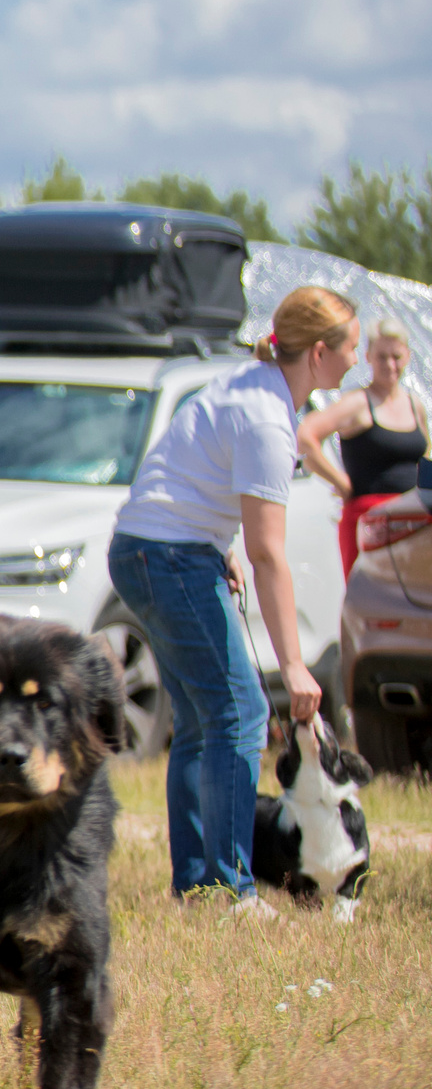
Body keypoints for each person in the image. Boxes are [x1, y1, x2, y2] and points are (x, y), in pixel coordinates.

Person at [111, 285, 357, 911]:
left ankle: (199, 885)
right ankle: (229, 889)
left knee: (201, 721)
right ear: (321, 353)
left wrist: (217, 543)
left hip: (150, 549)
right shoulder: (270, 420)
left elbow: (188, 470)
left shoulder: (246, 386)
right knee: (241, 715)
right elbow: (271, 553)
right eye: (351, 347)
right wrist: (295, 665)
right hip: (168, 556)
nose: (355, 360)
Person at [297, 317, 420, 575]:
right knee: (371, 605)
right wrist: (340, 481)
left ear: (407, 356)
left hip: (414, 522)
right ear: (368, 357)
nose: (390, 364)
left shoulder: (415, 406)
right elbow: (306, 435)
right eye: (382, 357)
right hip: (370, 522)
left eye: (396, 356)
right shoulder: (358, 403)